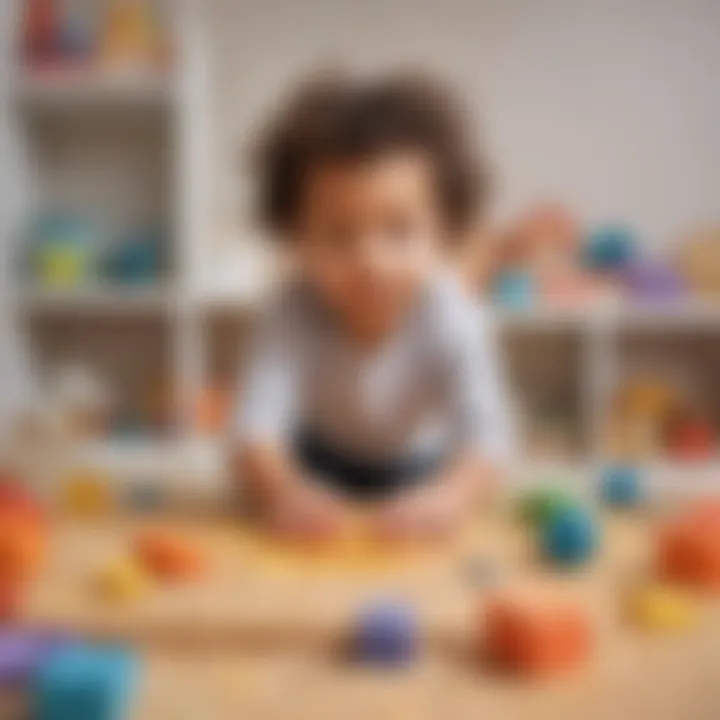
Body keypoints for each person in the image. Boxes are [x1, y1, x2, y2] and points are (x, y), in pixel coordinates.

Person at [234, 73, 515, 541]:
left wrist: (452, 497)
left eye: (399, 231)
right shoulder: (291, 310)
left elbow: (488, 436)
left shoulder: (452, 316)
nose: (370, 261)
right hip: (314, 468)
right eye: (339, 235)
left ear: (443, 234)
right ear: (295, 239)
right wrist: (281, 491)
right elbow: (255, 428)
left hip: (420, 473)